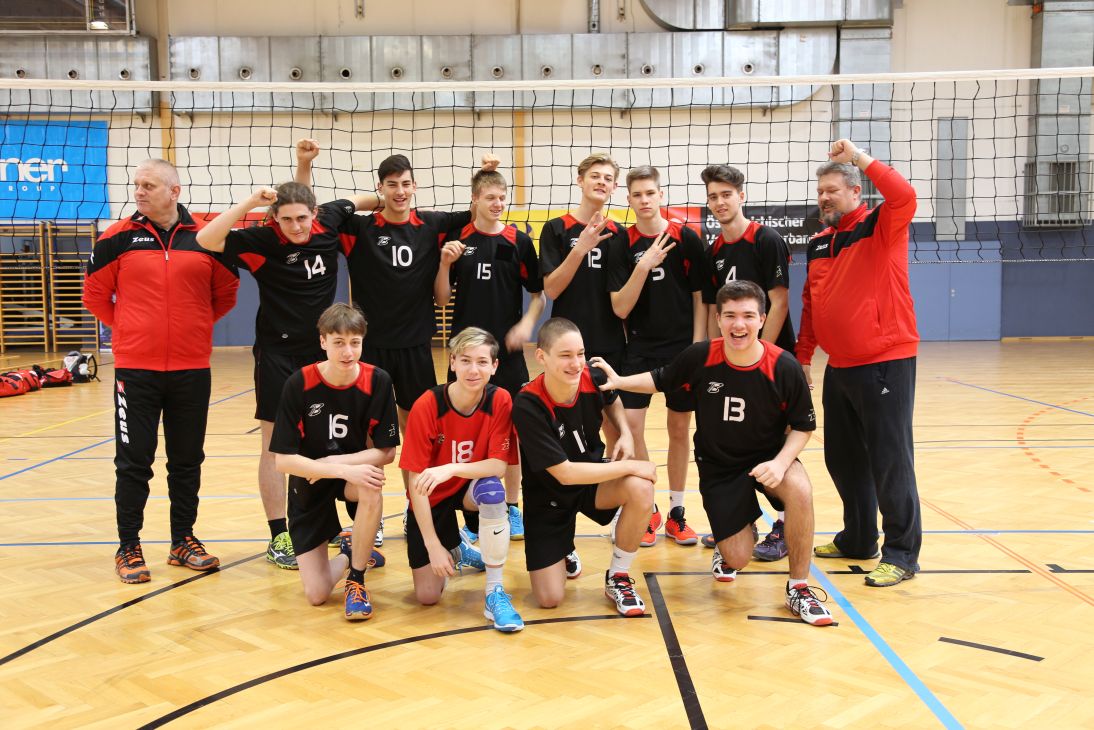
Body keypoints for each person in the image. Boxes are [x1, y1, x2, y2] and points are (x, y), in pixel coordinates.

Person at [591, 281, 833, 626]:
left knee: (801, 489)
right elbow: (661, 379)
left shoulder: (783, 366)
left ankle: (799, 589)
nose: (739, 324)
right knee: (738, 558)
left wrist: (781, 463)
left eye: (748, 315)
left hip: (768, 458)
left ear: (762, 319)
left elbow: (803, 427)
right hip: (719, 466)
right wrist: (619, 381)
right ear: (718, 319)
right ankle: (735, 534)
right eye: (730, 315)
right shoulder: (701, 356)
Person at [196, 140, 382, 570]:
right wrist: (251, 202)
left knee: (325, 439)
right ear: (273, 219)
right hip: (278, 355)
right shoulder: (263, 241)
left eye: (302, 218)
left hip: (323, 354)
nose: (296, 227)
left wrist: (385, 198)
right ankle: (279, 533)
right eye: (286, 219)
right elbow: (206, 238)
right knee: (275, 444)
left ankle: (326, 523)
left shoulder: (329, 221)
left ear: (315, 213)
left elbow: (364, 199)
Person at [83, 158, 239, 584]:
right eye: (137, 184)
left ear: (174, 191)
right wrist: (130, 330)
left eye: (148, 185)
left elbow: (226, 293)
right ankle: (128, 545)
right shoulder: (117, 238)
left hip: (192, 369)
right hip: (136, 371)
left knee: (187, 460)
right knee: (133, 462)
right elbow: (95, 296)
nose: (139, 191)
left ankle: (182, 540)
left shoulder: (207, 237)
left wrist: (194, 327)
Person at [337, 152, 498, 538]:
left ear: (415, 186)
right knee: (368, 436)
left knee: (420, 434)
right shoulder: (359, 228)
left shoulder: (432, 225)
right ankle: (367, 515)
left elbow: (478, 209)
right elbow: (322, 210)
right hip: (370, 350)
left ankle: (417, 507)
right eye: (391, 185)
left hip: (414, 348)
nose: (400, 191)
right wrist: (372, 201)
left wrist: (485, 174)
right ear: (380, 187)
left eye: (406, 184)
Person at [798, 139, 921, 588]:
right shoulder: (818, 243)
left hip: (885, 361)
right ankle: (858, 538)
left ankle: (902, 554)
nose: (824, 198)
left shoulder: (881, 225)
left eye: (832, 190)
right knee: (844, 459)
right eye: (820, 192)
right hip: (840, 367)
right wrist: (803, 356)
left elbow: (904, 195)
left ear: (856, 192)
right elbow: (811, 304)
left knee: (890, 459)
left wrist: (858, 158)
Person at [512, 317, 656, 617]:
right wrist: (630, 466)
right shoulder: (528, 404)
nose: (576, 363)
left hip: (591, 482)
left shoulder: (594, 375)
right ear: (541, 357)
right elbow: (565, 474)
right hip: (548, 497)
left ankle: (618, 576)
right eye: (565, 355)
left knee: (641, 489)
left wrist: (625, 433)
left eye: (580, 353)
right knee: (549, 599)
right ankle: (562, 546)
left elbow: (612, 399)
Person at [434, 168, 545, 543]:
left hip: (506, 355)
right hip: (465, 354)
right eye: (490, 198)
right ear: (475, 200)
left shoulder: (519, 241)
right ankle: (466, 510)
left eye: (502, 197)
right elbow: (441, 299)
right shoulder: (459, 240)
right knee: (461, 430)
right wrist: (445, 263)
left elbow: (538, 296)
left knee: (512, 431)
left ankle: (512, 506)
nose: (498, 204)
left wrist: (526, 325)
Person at [270, 303, 399, 620]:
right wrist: (334, 468)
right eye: (339, 342)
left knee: (371, 484)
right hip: (310, 478)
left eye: (355, 342)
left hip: (347, 475)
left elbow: (386, 452)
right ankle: (350, 553)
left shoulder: (378, 380)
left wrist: (339, 464)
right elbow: (283, 461)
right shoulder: (299, 383)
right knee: (317, 595)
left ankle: (357, 578)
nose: (347, 351)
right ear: (323, 341)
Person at [699, 164, 795, 560]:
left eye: (726, 194)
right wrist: (716, 359)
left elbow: (780, 301)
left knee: (775, 444)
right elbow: (713, 311)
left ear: (741, 196)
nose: (720, 202)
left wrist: (758, 358)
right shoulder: (715, 251)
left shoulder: (766, 239)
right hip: (732, 365)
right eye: (713, 196)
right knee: (734, 442)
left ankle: (786, 525)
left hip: (769, 365)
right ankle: (742, 522)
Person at [606, 165, 706, 548]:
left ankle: (677, 513)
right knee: (631, 427)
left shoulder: (685, 237)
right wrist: (643, 265)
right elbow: (620, 307)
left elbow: (700, 297)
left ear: (660, 195)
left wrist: (697, 346)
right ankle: (649, 510)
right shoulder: (622, 242)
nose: (644, 200)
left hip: (682, 350)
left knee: (679, 429)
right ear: (628, 199)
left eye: (650, 193)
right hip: (640, 348)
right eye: (637, 195)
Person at [400, 327, 523, 632]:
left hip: (470, 487)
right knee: (428, 596)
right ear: (452, 362)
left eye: (482, 362)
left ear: (494, 366)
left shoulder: (500, 400)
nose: (473, 370)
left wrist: (451, 469)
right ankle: (457, 548)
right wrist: (433, 546)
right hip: (431, 494)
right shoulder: (427, 405)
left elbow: (498, 466)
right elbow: (415, 484)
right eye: (465, 360)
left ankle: (494, 592)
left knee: (493, 491)